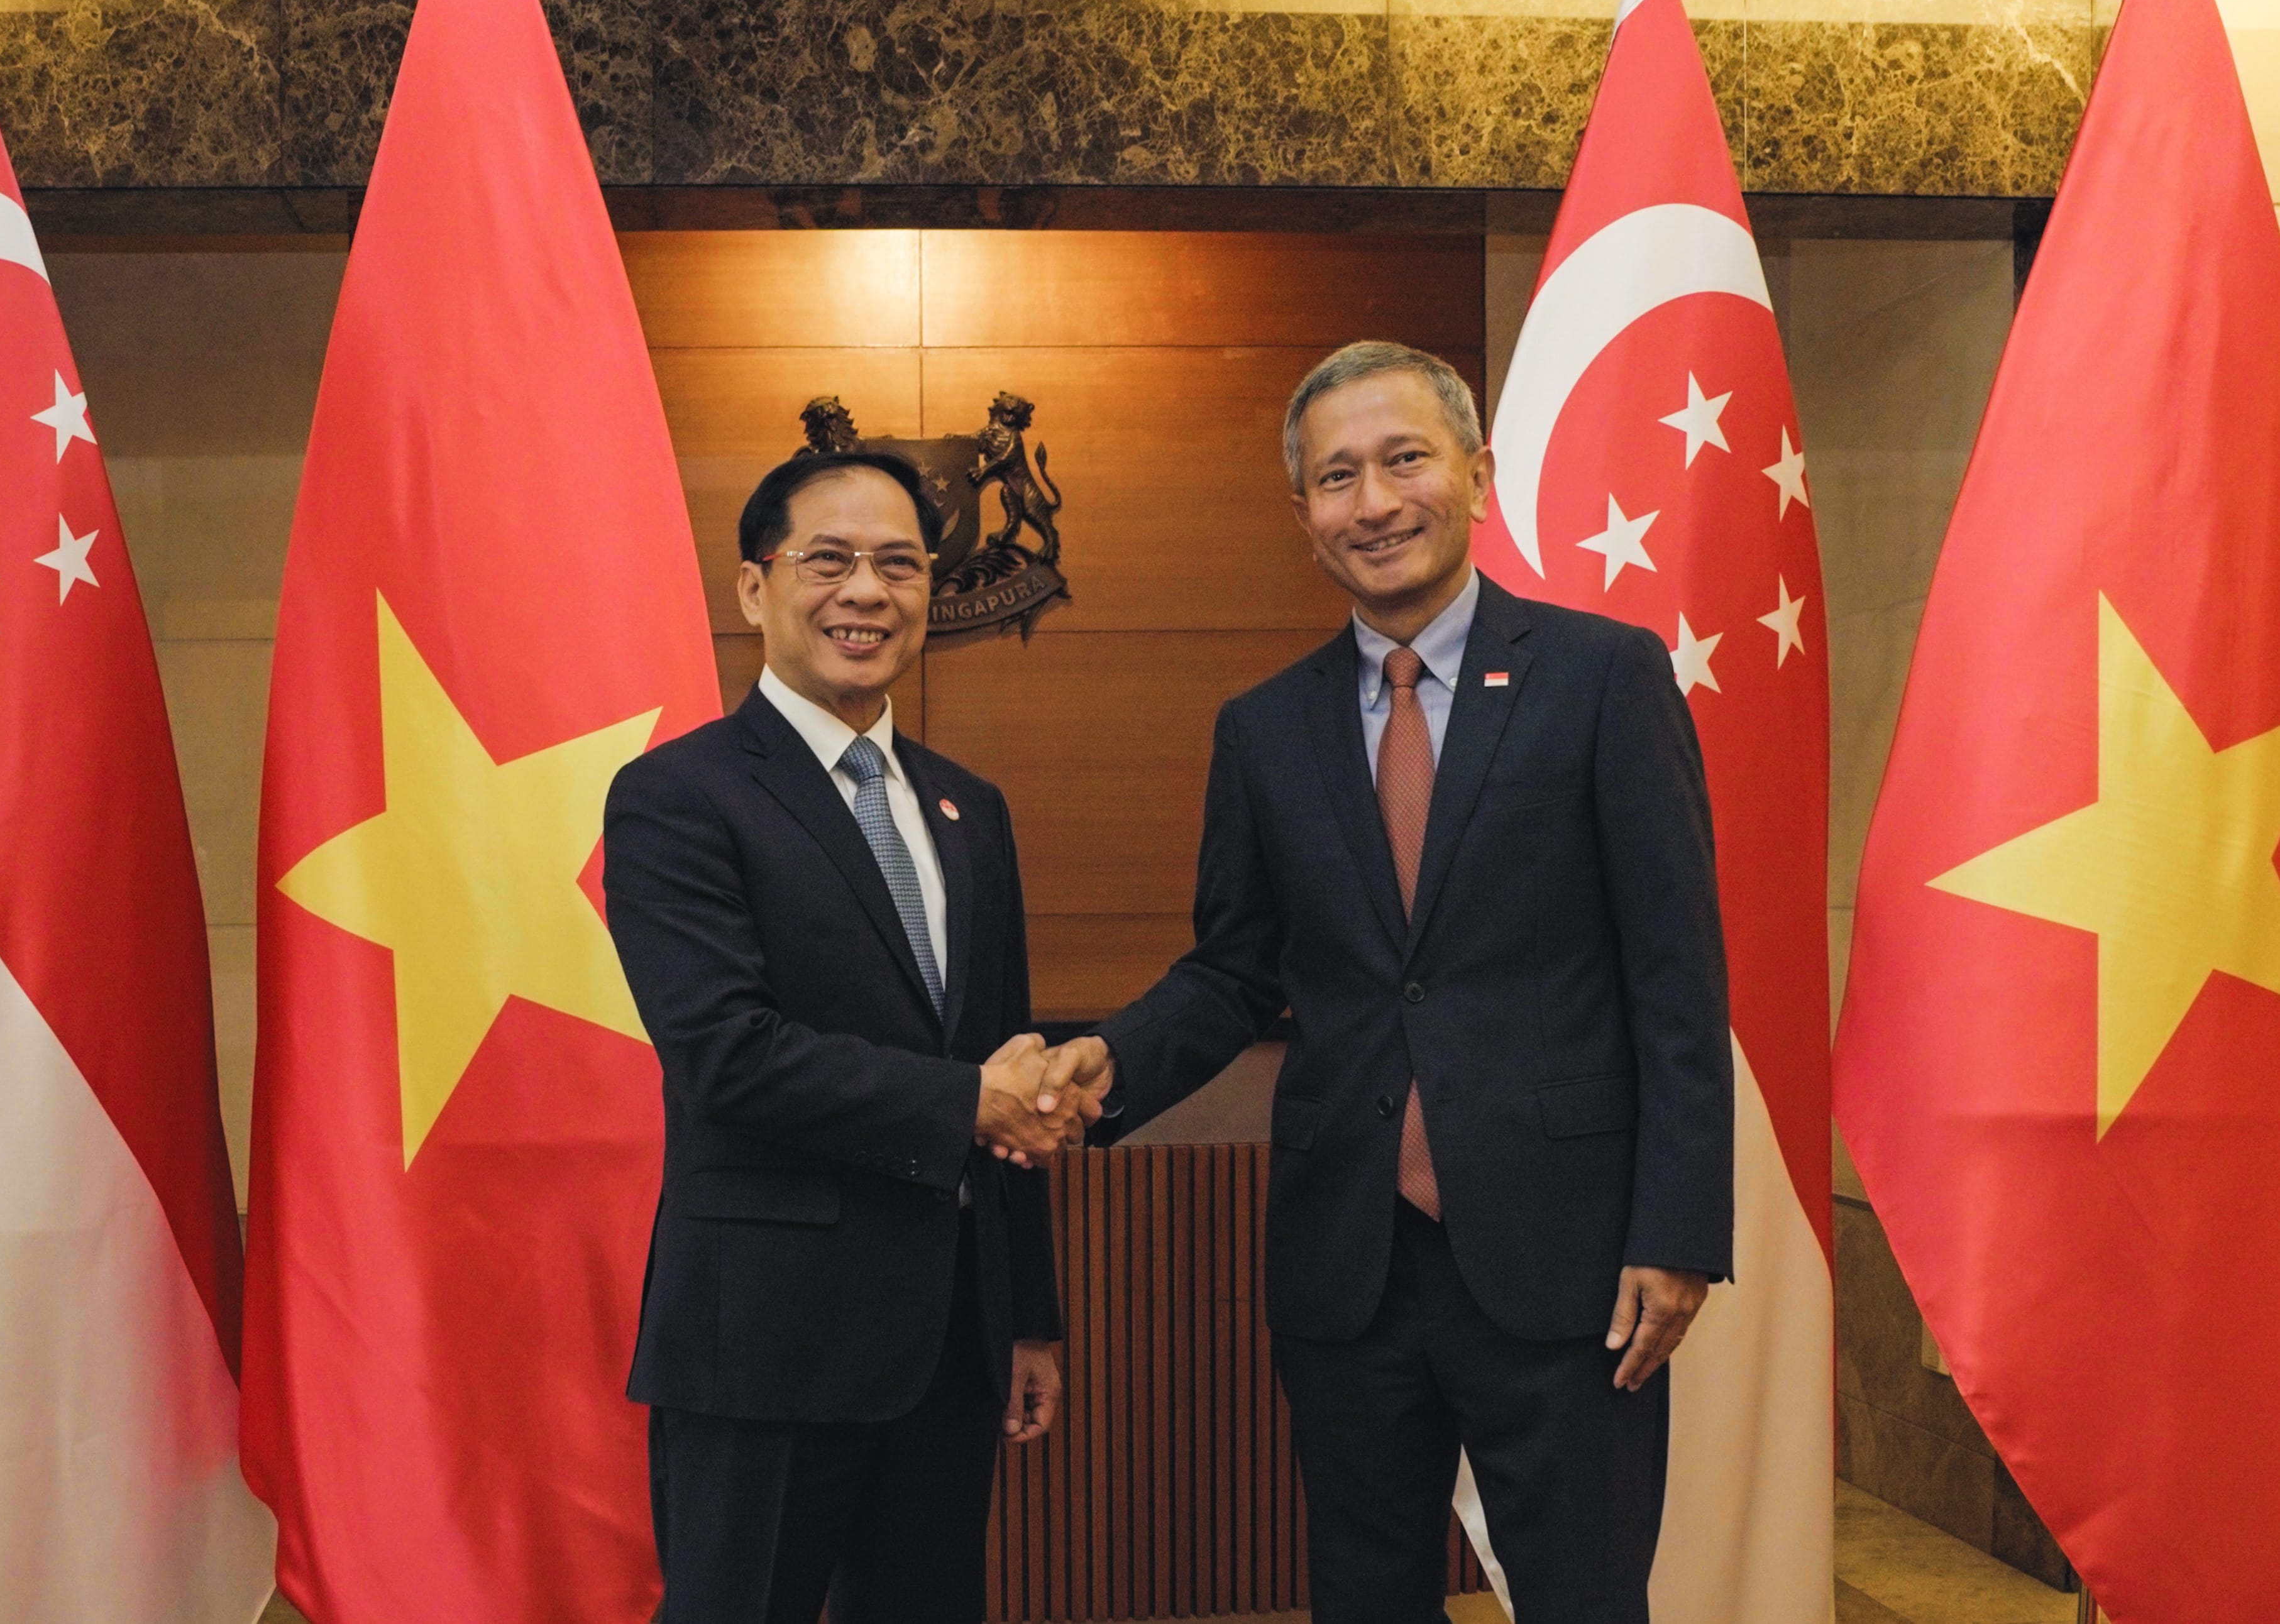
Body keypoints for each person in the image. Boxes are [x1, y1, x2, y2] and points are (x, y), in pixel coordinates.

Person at [1036, 341, 1734, 1623]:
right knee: (1364, 1594)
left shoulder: (1605, 678)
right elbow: (1234, 971)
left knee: (1585, 1597)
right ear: (1303, 513)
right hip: (1348, 1262)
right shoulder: (1264, 728)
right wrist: (1111, 1063)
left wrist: (1678, 1231)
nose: (1373, 502)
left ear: (1476, 473)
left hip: (1570, 1259)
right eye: (1336, 476)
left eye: (1404, 459)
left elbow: (1678, 978)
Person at [602, 450, 1098, 1624]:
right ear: (754, 586)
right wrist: (966, 1101)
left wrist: (1027, 1313)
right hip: (764, 1341)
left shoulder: (970, 808)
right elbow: (726, 1052)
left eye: (899, 565)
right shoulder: (678, 794)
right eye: (828, 560)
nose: (865, 592)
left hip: (949, 1343)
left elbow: (1005, 1061)